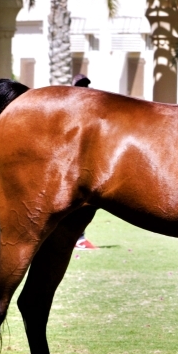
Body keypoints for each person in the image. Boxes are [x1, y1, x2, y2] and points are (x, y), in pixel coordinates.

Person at [71, 74, 97, 249]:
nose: (84, 89)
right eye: (81, 85)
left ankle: (79, 236)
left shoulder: (90, 106)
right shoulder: (72, 105)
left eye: (85, 86)